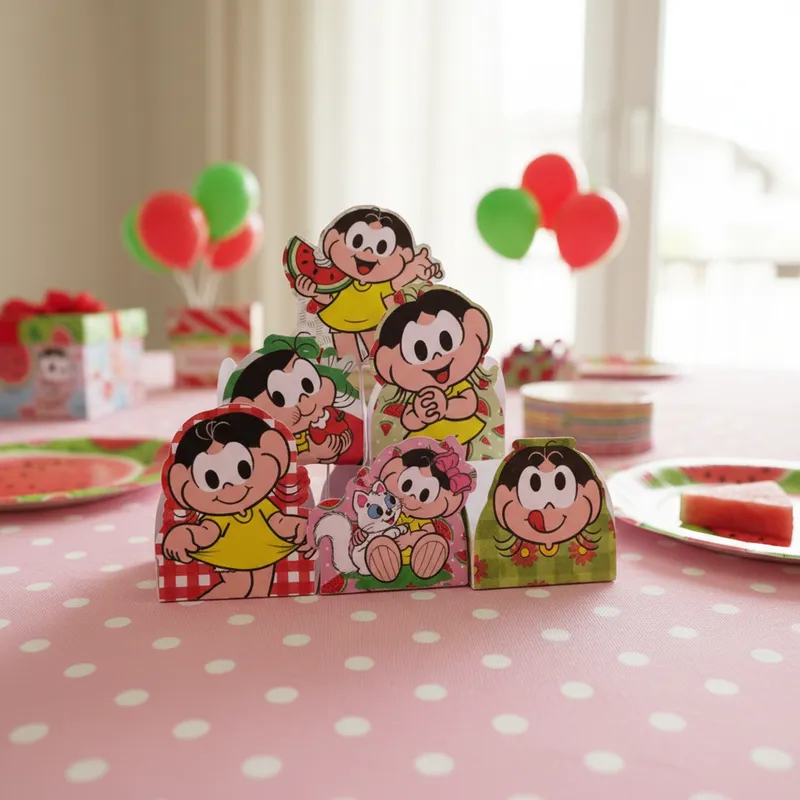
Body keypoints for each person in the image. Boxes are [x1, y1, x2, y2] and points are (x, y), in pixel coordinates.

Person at [161, 410, 312, 599]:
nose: (229, 487)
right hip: (230, 554)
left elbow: (278, 521)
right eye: (211, 480)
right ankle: (204, 607)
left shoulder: (263, 505)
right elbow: (207, 532)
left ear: (272, 450)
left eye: (243, 469)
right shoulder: (218, 515)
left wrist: (297, 526)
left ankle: (257, 614)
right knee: (239, 587)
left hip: (265, 550)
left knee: (262, 587)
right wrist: (187, 534)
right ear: (181, 480)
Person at [292, 206, 442, 359]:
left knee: (376, 354)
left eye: (382, 247)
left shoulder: (383, 284)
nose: (368, 252)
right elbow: (328, 297)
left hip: (373, 321)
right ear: (332, 238)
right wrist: (312, 292)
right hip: (338, 321)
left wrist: (416, 270)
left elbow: (399, 285)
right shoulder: (340, 281)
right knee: (344, 359)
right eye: (357, 242)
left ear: (405, 254)